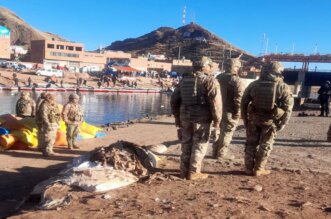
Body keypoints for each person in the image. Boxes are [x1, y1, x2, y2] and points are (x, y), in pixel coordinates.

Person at [171, 56, 222, 180]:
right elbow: (216, 103)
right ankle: (194, 172)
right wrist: (217, 121)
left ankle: (183, 171)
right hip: (202, 118)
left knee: (186, 143)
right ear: (207, 67)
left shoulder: (184, 80)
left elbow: (174, 100)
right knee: (199, 144)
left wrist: (177, 117)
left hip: (185, 117)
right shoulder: (210, 81)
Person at [241, 62, 293, 176]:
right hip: (270, 121)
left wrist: (245, 119)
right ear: (278, 71)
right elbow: (288, 108)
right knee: (266, 145)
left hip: (253, 120)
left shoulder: (254, 84)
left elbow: (244, 102)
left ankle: (248, 168)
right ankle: (259, 169)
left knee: (250, 144)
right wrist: (283, 123)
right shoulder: (283, 86)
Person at [212, 57, 244, 160]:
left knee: (217, 131)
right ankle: (222, 154)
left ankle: (214, 152)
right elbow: (239, 98)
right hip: (229, 110)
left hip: (217, 110)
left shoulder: (217, 78)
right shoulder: (236, 80)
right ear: (235, 67)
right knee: (227, 133)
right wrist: (238, 113)